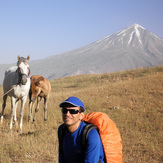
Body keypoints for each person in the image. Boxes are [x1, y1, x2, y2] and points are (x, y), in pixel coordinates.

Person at [58, 96, 105, 163]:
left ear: (81, 116)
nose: (67, 114)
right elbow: (61, 156)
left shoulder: (91, 134)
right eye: (64, 111)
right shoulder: (61, 130)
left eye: (73, 111)